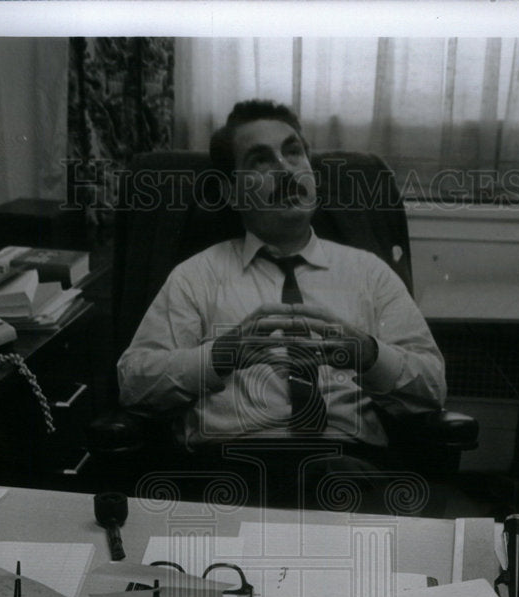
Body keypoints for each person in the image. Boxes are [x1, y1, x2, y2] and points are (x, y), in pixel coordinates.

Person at [117, 100, 446, 508]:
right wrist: (220, 357)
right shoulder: (195, 276)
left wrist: (369, 354)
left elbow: (433, 388)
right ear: (231, 192)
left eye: (293, 152)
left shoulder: (368, 273)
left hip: (347, 469)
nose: (286, 169)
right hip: (229, 473)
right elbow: (133, 384)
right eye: (260, 160)